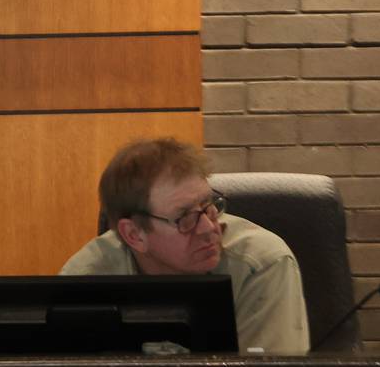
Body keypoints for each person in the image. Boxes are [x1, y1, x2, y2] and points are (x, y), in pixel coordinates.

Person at [60, 137, 309, 354]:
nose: (209, 228)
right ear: (134, 235)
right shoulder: (86, 278)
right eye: (185, 218)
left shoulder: (261, 263)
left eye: (208, 206)